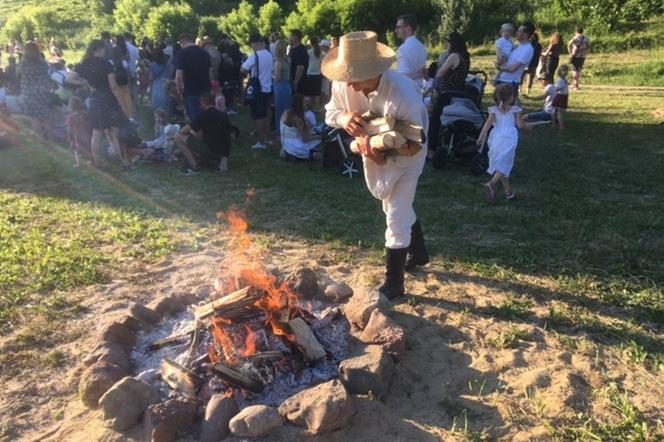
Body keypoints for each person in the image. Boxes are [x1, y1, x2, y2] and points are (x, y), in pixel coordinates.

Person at [324, 31, 430, 300]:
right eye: (347, 76)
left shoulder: (405, 95)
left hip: (407, 157)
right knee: (392, 206)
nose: (350, 86)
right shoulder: (343, 84)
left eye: (356, 77)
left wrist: (376, 154)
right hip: (373, 151)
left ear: (377, 71)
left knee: (395, 213)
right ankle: (419, 252)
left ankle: (394, 283)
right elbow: (330, 113)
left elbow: (410, 144)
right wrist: (344, 117)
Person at [75, 39, 127, 167]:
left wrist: (84, 83)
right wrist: (121, 103)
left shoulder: (84, 63)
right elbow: (113, 86)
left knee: (96, 133)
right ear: (99, 49)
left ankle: (97, 163)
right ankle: (122, 162)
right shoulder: (106, 64)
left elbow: (69, 78)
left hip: (95, 99)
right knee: (113, 133)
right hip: (108, 99)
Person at [476, 83, 529, 203]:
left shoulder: (494, 110)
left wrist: (481, 136)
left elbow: (488, 124)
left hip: (496, 137)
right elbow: (520, 125)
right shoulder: (515, 110)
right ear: (511, 97)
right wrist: (528, 127)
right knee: (505, 162)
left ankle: (508, 192)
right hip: (509, 137)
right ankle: (491, 184)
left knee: (501, 161)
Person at [428, 32, 470, 152]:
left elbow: (440, 73)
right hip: (458, 91)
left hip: (447, 92)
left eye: (447, 42)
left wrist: (438, 66)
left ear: (452, 43)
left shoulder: (453, 56)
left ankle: (431, 150)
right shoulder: (465, 57)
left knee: (435, 120)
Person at [175, 92, 232, 174]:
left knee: (178, 137)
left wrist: (191, 131)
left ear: (203, 103)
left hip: (212, 151)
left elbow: (183, 131)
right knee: (199, 135)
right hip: (224, 152)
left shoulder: (204, 115)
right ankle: (220, 161)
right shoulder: (223, 115)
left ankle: (194, 166)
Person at [241, 33, 273, 149]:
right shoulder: (269, 54)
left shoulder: (255, 56)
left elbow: (243, 68)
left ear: (254, 44)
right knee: (266, 114)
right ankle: (268, 138)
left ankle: (261, 141)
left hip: (258, 90)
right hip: (268, 88)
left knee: (258, 116)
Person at [18, 42, 55, 139]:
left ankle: (40, 138)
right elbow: (47, 73)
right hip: (43, 91)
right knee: (46, 116)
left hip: (29, 93)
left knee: (34, 118)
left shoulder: (23, 63)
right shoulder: (42, 62)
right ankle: (51, 137)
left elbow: (18, 75)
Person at [175, 34, 212, 121]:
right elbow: (211, 72)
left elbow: (179, 76)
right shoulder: (204, 53)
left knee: (195, 118)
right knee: (206, 115)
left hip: (191, 89)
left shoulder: (182, 53)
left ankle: (198, 133)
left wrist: (179, 89)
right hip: (205, 88)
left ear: (182, 42)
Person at [495, 22, 535, 100]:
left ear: (525, 34)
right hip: (502, 81)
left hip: (510, 84)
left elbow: (513, 68)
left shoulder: (528, 49)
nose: (516, 33)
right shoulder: (518, 46)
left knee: (508, 109)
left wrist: (499, 67)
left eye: (519, 31)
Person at [280, 94, 321, 160]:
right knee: (319, 141)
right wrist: (318, 137)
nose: (306, 104)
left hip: (285, 142)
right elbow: (305, 139)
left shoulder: (286, 112)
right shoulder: (298, 119)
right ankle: (311, 154)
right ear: (299, 104)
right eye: (304, 102)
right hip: (293, 146)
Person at [394, 14, 428, 83]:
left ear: (407, 28)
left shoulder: (403, 49)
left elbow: (403, 77)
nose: (396, 31)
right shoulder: (422, 47)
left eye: (398, 27)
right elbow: (424, 72)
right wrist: (420, 74)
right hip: (419, 91)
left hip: (407, 91)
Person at [65, 96, 92, 166]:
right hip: (88, 134)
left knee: (76, 150)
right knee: (89, 148)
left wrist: (70, 139)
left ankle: (78, 163)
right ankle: (91, 160)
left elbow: (69, 130)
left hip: (77, 136)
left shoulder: (70, 117)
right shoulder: (86, 114)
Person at [272, 39, 291, 132]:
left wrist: (272, 78)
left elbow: (278, 77)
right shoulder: (287, 60)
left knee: (279, 110)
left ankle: (279, 131)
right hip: (287, 85)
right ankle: (286, 129)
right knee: (286, 109)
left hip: (280, 86)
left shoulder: (278, 61)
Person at [111, 45, 134, 118]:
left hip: (116, 84)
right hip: (125, 84)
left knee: (119, 101)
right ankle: (130, 116)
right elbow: (128, 72)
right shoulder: (123, 62)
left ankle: (122, 117)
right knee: (127, 100)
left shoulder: (110, 63)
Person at [288, 29, 308, 95]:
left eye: (290, 36)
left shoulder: (300, 50)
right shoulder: (293, 49)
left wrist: (295, 83)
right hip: (292, 80)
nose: (289, 38)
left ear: (295, 37)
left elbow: (300, 68)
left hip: (298, 83)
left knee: (297, 103)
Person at [551, 65, 569, 130]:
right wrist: (565, 85)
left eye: (566, 70)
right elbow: (557, 89)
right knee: (559, 112)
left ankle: (555, 124)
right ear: (560, 71)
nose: (565, 72)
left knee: (558, 111)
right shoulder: (560, 80)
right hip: (560, 96)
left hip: (564, 96)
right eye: (563, 70)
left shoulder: (564, 80)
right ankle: (560, 125)